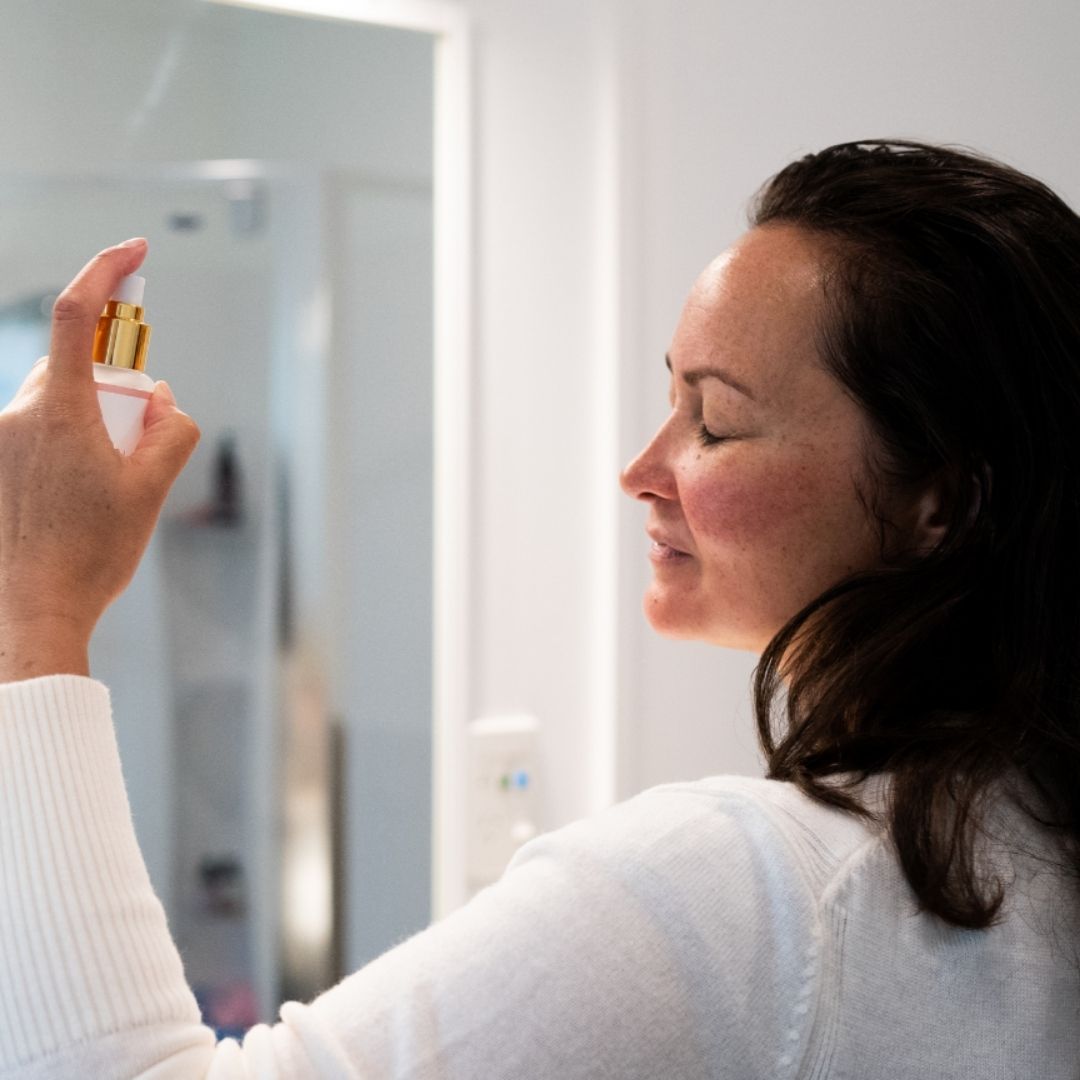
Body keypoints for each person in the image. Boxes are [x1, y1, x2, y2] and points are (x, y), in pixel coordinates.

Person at [0, 139, 1078, 1078]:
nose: (642, 470)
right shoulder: (1031, 852)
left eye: (714, 421)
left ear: (939, 502)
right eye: (670, 401)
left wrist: (35, 606)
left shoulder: (751, 896)